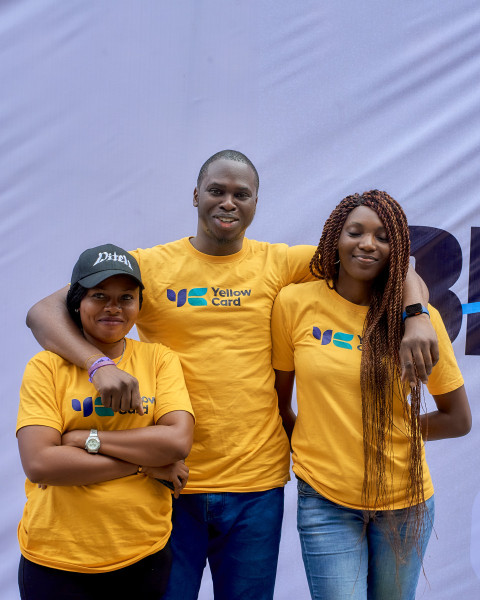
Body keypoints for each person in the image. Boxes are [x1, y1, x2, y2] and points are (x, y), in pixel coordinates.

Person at [26, 152, 439, 600]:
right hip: (167, 477)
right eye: (217, 190)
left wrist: (416, 317)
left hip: (255, 486)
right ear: (196, 195)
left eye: (241, 194)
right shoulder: (151, 266)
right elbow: (43, 312)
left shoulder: (281, 263)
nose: (228, 202)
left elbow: (399, 265)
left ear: (256, 203)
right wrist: (98, 363)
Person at [271, 190, 471, 600]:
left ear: (396, 250)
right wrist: (316, 441)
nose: (367, 243)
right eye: (356, 232)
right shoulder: (296, 303)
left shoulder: (421, 320)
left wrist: (381, 428)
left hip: (406, 502)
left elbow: (457, 418)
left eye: (383, 236)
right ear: (335, 238)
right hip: (325, 500)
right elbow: (279, 400)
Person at [17, 244, 195, 600]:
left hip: (143, 554)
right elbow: (41, 464)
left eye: (126, 297)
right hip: (55, 559)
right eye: (100, 296)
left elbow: (177, 443)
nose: (113, 308)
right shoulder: (46, 367)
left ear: (139, 305)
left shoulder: (158, 359)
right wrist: (146, 465)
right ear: (77, 302)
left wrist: (84, 438)